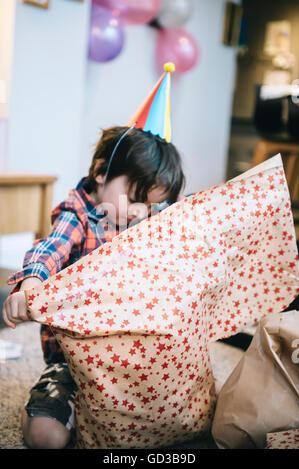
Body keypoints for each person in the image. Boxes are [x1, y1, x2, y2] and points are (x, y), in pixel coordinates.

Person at [2, 125, 186, 449]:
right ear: (101, 173)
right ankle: (45, 408)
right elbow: (52, 246)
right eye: (133, 198)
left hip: (129, 360)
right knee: (46, 438)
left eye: (150, 204)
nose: (139, 212)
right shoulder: (78, 213)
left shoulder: (144, 219)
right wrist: (31, 284)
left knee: (173, 416)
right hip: (71, 362)